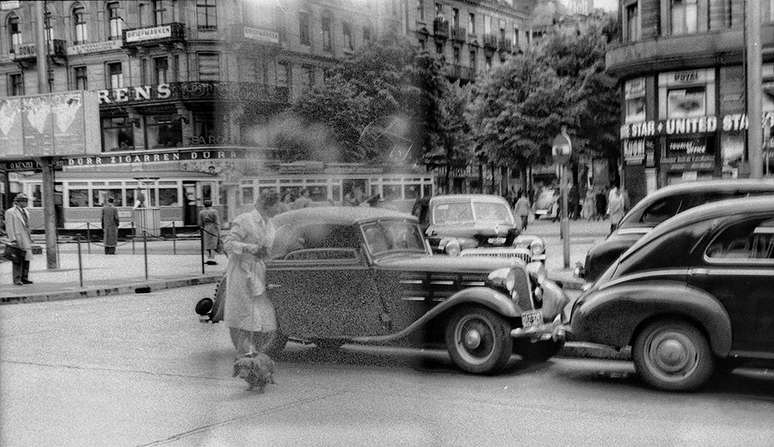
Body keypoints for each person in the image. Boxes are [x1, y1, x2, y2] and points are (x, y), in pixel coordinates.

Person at [223, 189, 281, 355]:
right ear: (267, 205)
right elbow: (228, 244)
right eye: (277, 205)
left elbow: (269, 248)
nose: (279, 209)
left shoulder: (269, 223)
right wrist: (250, 248)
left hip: (258, 272)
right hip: (241, 272)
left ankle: (252, 357)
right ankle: (247, 360)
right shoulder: (244, 220)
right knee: (245, 318)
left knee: (263, 320)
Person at [5, 193, 33, 285]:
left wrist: (30, 237)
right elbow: (9, 226)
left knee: (26, 258)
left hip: (26, 238)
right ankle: (17, 279)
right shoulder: (10, 212)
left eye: (26, 201)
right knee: (17, 259)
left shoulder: (26, 212)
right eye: (24, 201)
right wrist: (12, 239)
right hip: (18, 238)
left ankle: (24, 277)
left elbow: (27, 226)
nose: (26, 203)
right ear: (18, 202)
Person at [199, 200, 220, 265]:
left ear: (204, 205)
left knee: (207, 244)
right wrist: (219, 230)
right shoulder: (214, 211)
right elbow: (217, 221)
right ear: (211, 204)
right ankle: (212, 259)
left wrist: (202, 228)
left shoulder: (201, 212)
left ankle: (208, 258)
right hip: (213, 228)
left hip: (205, 228)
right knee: (213, 244)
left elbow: (200, 222)